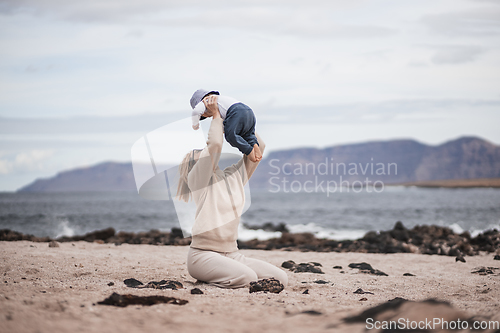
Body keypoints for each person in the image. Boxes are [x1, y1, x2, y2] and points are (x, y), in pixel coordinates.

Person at [177, 94, 288, 289]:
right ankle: (209, 277)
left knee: (280, 278)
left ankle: (219, 275)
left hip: (232, 253)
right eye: (198, 152)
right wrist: (215, 116)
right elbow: (215, 146)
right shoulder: (199, 181)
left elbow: (259, 147)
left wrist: (237, 116)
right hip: (202, 255)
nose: (202, 152)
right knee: (247, 277)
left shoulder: (234, 178)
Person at [190, 89, 262, 162]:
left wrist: (195, 124)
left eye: (204, 114)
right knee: (247, 133)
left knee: (230, 136)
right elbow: (226, 123)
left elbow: (196, 112)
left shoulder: (207, 101)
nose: (206, 115)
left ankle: (249, 151)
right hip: (248, 111)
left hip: (236, 111)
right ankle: (254, 145)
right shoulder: (222, 103)